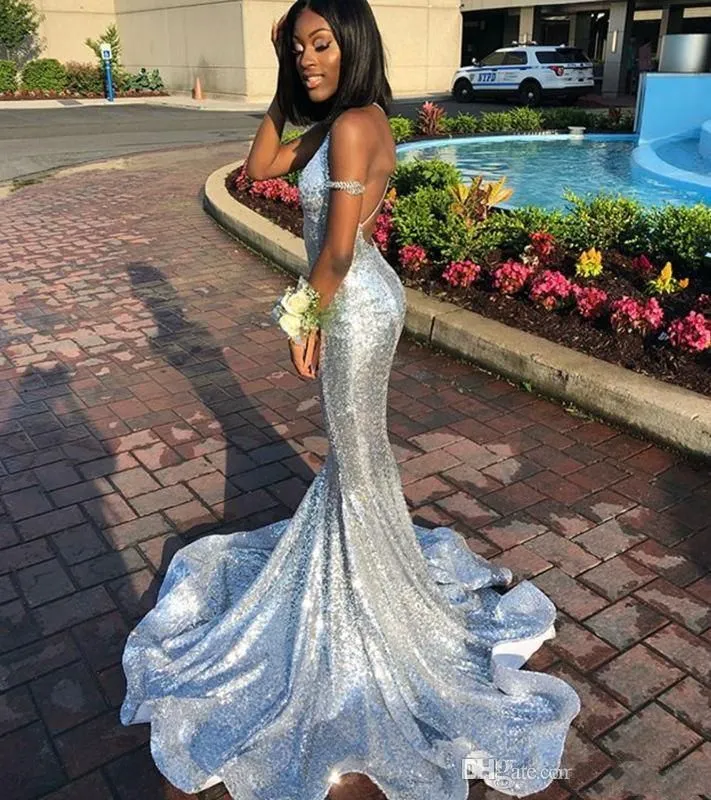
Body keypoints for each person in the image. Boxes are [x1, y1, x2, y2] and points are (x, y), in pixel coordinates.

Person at [119, 2, 581, 798]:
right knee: (355, 456)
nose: (307, 58)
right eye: (297, 47)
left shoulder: (358, 124)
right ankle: (367, 583)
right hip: (349, 300)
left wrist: (304, 318)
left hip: (354, 306)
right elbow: (261, 164)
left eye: (320, 44)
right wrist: (279, 79)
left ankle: (377, 611)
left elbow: (335, 248)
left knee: (359, 458)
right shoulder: (336, 123)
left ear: (352, 43)